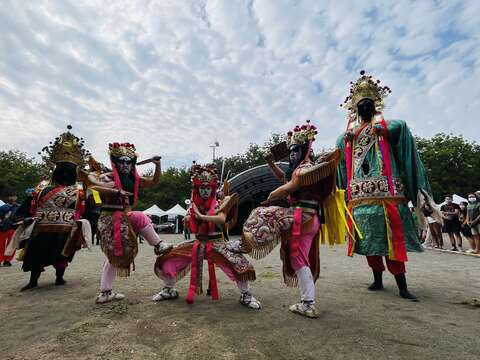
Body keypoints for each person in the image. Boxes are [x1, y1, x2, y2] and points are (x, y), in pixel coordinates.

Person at [336, 71, 432, 301]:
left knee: (393, 242)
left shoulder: (388, 128)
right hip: (359, 197)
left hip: (388, 194)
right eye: (361, 105)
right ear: (355, 108)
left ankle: (402, 285)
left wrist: (384, 129)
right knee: (370, 242)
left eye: (369, 104)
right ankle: (377, 279)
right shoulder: (347, 137)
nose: (365, 108)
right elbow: (339, 162)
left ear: (376, 105)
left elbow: (401, 126)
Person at [241, 121, 342, 318]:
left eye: (296, 150)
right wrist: (271, 163)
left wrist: (271, 196)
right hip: (307, 218)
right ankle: (308, 301)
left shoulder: (306, 169)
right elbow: (285, 179)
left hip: (302, 217)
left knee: (263, 216)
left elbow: (289, 186)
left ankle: (307, 302)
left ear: (305, 149)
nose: (293, 154)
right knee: (299, 258)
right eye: (291, 151)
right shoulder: (306, 168)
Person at [153, 163, 261, 310]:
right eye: (202, 188)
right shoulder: (193, 205)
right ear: (197, 189)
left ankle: (246, 294)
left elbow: (222, 219)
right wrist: (188, 219)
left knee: (239, 264)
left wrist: (201, 216)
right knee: (169, 257)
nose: (205, 191)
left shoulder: (219, 202)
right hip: (198, 243)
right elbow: (189, 220)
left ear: (213, 188)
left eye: (208, 188)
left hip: (217, 243)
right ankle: (168, 289)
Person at [88, 143, 172, 304]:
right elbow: (95, 187)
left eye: (129, 162)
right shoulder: (108, 176)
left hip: (123, 217)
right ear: (115, 162)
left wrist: (158, 166)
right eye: (122, 162)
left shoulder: (133, 179)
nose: (126, 165)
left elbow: (154, 182)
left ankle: (158, 245)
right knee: (115, 253)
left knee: (138, 219)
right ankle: (105, 292)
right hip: (109, 219)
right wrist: (115, 190)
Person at [10, 126, 92, 291]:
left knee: (63, 254)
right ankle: (33, 280)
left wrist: (88, 224)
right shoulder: (42, 187)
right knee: (35, 255)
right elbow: (28, 203)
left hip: (66, 229)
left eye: (69, 169)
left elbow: (90, 208)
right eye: (62, 168)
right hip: (40, 229)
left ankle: (59, 277)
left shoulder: (80, 189)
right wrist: (20, 218)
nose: (65, 172)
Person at [0, 193, 20, 266]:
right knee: (1, 245)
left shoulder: (19, 207)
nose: (12, 198)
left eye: (14, 196)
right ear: (8, 197)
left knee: (11, 245)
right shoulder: (3, 207)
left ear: (16, 197)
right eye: (11, 196)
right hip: (2, 228)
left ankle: (7, 260)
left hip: (14, 227)